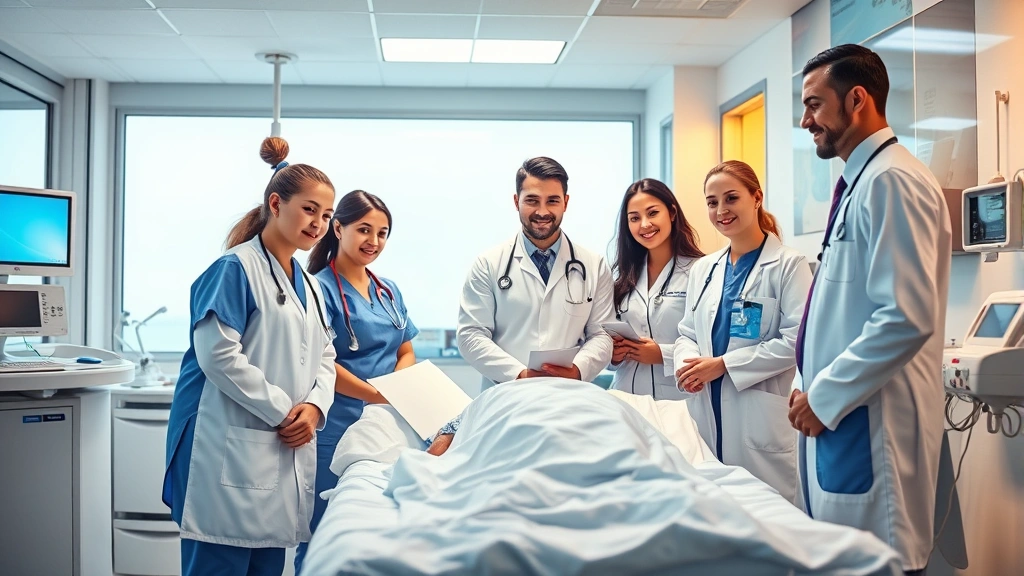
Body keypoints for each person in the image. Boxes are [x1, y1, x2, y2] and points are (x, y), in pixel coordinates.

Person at [790, 44, 951, 575]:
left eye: (814, 105)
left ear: (856, 99)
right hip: (847, 419)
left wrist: (826, 395)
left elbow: (905, 316)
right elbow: (842, 309)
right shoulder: (864, 181)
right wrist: (808, 379)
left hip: (868, 424)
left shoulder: (891, 181)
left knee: (876, 563)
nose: (804, 119)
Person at [163, 136, 336, 576]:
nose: (318, 223)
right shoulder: (234, 270)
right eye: (310, 209)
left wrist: (314, 407)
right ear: (276, 204)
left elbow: (325, 354)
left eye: (327, 215)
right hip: (228, 448)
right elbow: (218, 355)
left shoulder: (311, 284)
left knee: (266, 563)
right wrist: (284, 412)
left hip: (280, 450)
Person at [672, 160, 812, 505]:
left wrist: (724, 365)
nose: (721, 210)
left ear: (756, 198)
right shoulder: (705, 268)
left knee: (771, 524)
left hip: (759, 422)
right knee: (716, 521)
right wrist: (687, 365)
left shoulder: (788, 265)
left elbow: (798, 340)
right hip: (706, 411)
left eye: (731, 198)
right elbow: (686, 332)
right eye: (712, 202)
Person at [294, 190, 419, 572]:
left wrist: (395, 393)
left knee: (377, 524)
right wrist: (379, 394)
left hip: (388, 422)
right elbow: (322, 364)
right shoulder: (318, 288)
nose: (374, 242)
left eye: (382, 233)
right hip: (337, 423)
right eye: (364, 230)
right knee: (321, 532)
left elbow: (406, 350)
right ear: (338, 228)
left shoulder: (389, 290)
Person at [456, 156, 614, 390]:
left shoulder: (594, 265)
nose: (542, 211)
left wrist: (577, 370)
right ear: (516, 201)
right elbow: (471, 335)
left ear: (565, 203)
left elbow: (602, 335)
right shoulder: (488, 264)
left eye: (552, 201)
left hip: (568, 394)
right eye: (532, 200)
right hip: (505, 395)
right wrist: (519, 374)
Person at [608, 178, 704, 399]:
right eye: (634, 218)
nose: (644, 224)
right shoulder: (622, 278)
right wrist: (613, 355)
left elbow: (713, 346)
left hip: (679, 402)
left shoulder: (701, 270)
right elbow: (604, 347)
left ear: (671, 213)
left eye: (652, 213)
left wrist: (663, 354)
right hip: (624, 398)